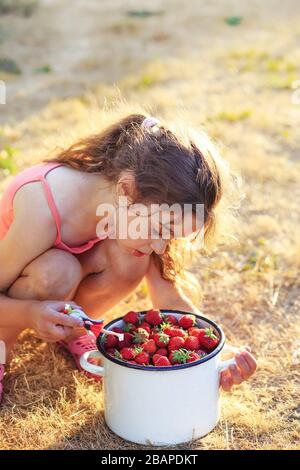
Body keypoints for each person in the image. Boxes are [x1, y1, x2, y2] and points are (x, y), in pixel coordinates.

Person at [0, 113, 257, 402]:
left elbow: (171, 301)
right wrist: (29, 314)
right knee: (58, 271)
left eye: (171, 236)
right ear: (126, 189)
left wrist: (216, 352)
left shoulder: (132, 206)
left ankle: (76, 327)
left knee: (133, 256)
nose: (161, 247)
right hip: (19, 287)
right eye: (162, 229)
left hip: (60, 284)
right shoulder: (43, 211)